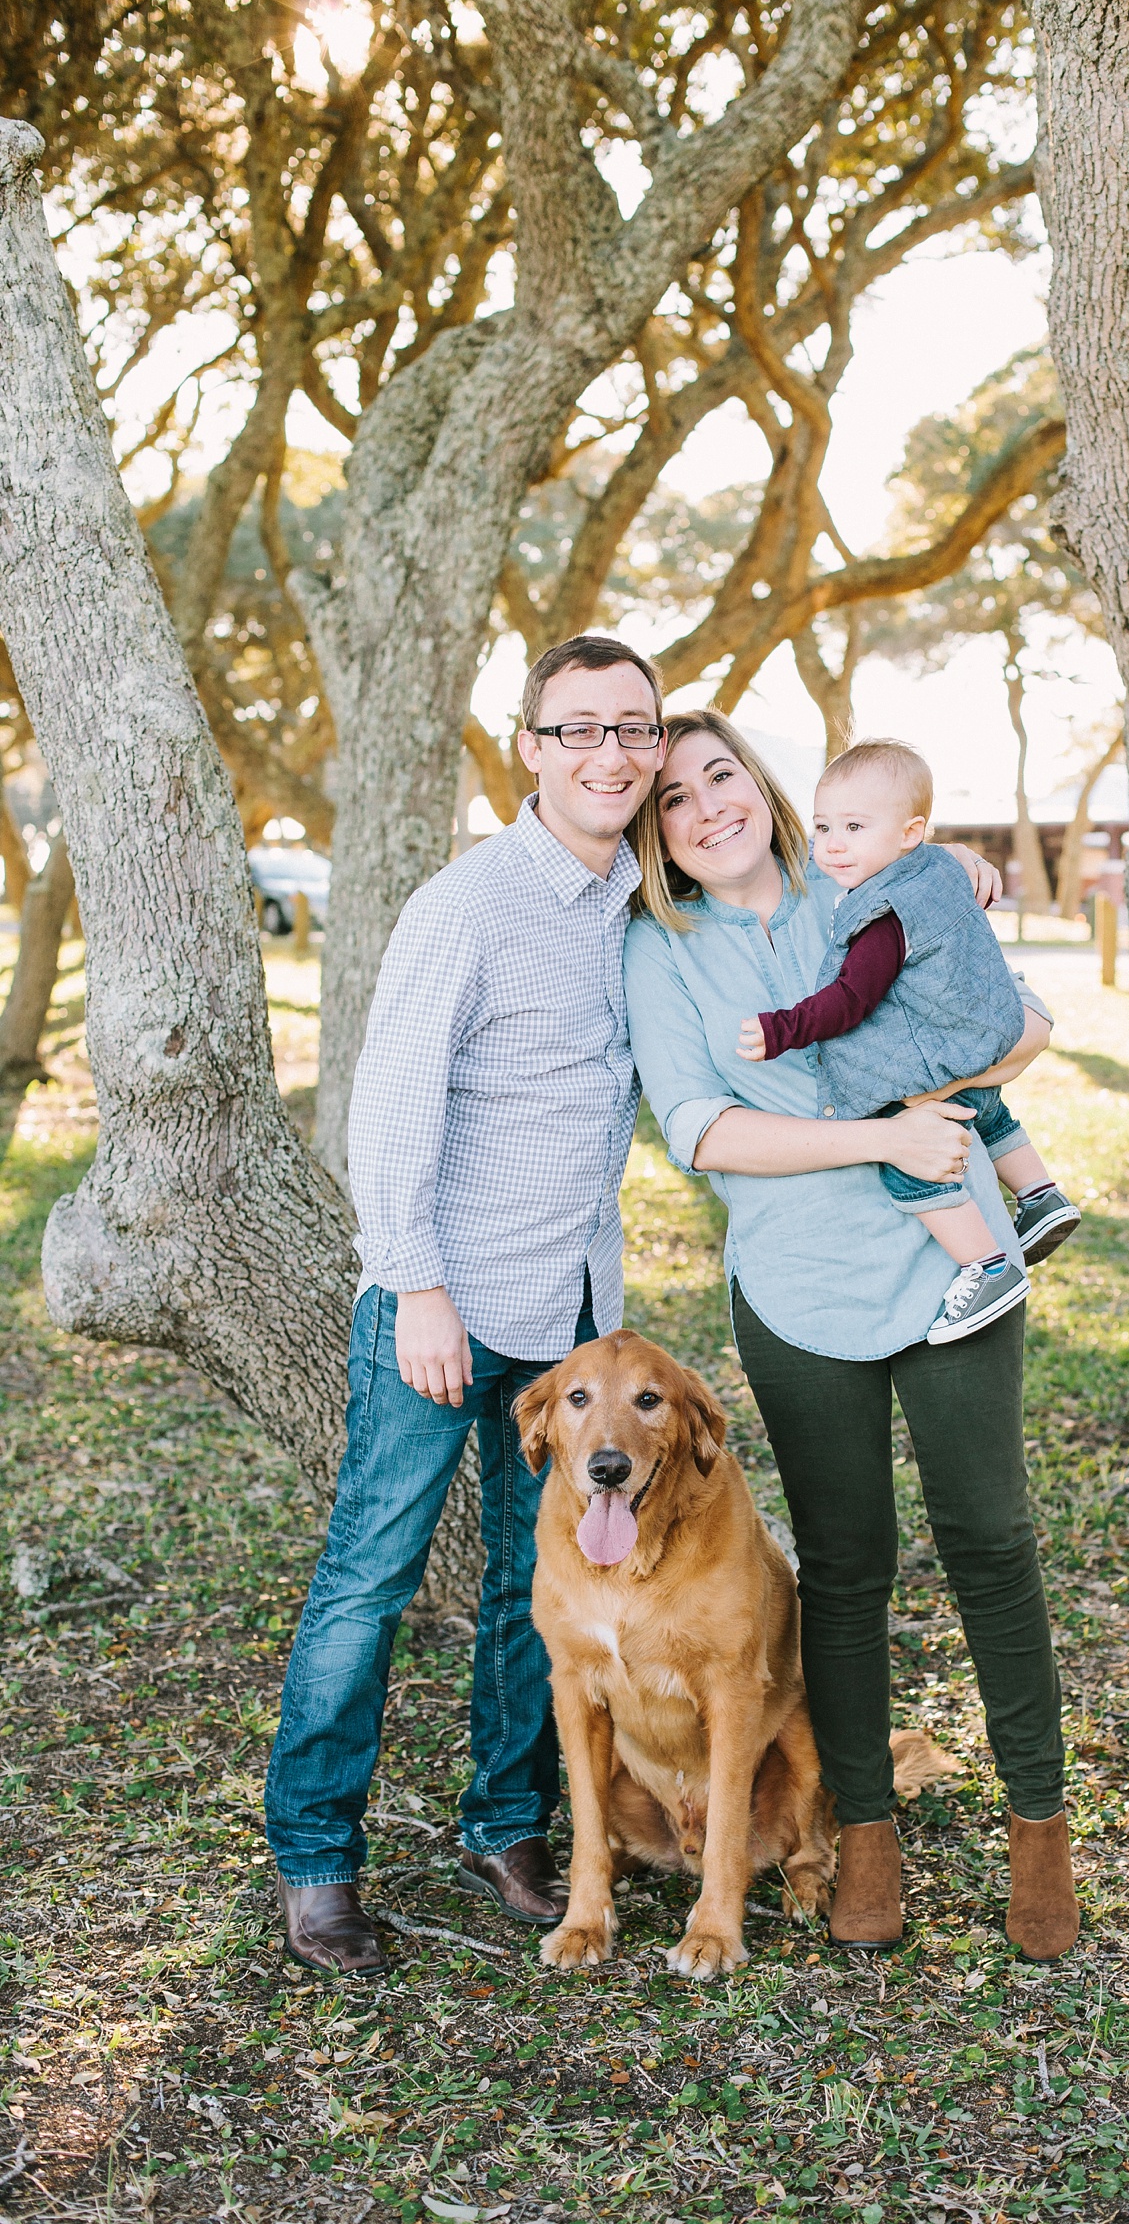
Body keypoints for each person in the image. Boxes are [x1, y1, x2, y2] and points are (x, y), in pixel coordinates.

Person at [622, 710, 1080, 1962]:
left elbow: (1024, 1025)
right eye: (672, 799)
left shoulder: (877, 880)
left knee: (991, 1538)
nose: (706, 806)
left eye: (719, 775)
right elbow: (703, 1132)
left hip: (957, 1272)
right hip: (799, 1287)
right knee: (846, 1560)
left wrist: (930, 1078)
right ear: (656, 833)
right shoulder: (660, 953)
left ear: (759, 786)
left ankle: (1040, 1828)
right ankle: (864, 1831)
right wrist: (882, 1134)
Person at [263, 633, 668, 1976]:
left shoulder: (642, 909)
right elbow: (388, 1109)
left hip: (572, 1319)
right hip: (448, 1304)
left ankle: (506, 1821)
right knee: (368, 1582)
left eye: (634, 728)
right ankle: (317, 1862)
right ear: (531, 746)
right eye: (580, 729)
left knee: (532, 1582)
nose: (610, 752)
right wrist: (418, 1284)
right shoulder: (469, 903)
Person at [737, 737, 1080, 1346]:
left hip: (931, 1048)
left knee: (911, 1165)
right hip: (979, 1025)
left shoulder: (883, 914)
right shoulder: (937, 870)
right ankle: (1040, 1193)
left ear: (909, 831)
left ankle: (988, 1267)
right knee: (984, 1107)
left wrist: (779, 1029)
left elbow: (850, 1000)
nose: (833, 844)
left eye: (854, 827)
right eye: (822, 827)